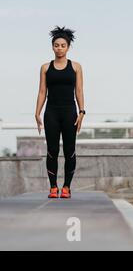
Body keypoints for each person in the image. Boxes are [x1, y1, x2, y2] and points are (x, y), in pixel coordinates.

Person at [34, 26, 86, 199]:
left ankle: (67, 187)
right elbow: (42, 92)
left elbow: (79, 90)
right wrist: (37, 113)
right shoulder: (45, 68)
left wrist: (82, 112)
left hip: (70, 112)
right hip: (51, 113)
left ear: (68, 47)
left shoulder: (76, 67)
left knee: (70, 150)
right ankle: (53, 187)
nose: (59, 48)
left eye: (63, 45)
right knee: (52, 150)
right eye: (56, 45)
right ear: (52, 47)